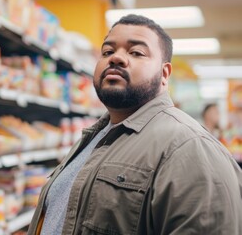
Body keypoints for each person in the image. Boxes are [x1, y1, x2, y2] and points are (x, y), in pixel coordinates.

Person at [28, 14, 242, 235]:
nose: (116, 58)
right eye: (107, 52)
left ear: (164, 74)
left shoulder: (190, 148)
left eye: (136, 52)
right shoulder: (95, 137)